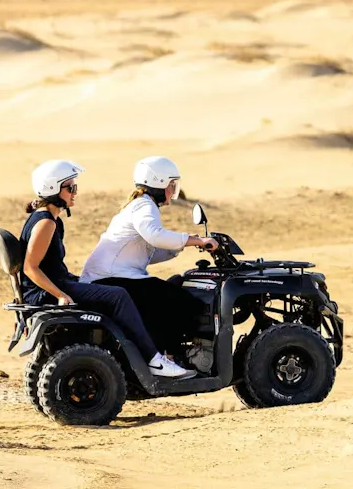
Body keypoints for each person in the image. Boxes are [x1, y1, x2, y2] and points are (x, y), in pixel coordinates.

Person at [19, 158, 196, 380]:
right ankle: (154, 360)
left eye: (75, 187)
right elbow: (29, 268)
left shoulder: (53, 221)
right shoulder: (46, 223)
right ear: (53, 189)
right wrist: (61, 295)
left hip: (57, 283)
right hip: (45, 291)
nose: (75, 192)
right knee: (119, 295)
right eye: (70, 187)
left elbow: (48, 267)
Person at [79, 155, 218, 361]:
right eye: (171, 185)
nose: (173, 191)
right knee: (187, 303)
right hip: (110, 280)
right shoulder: (144, 206)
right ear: (158, 183)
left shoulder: (139, 204)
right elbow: (155, 235)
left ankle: (166, 354)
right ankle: (170, 358)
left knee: (174, 287)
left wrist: (185, 245)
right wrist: (194, 240)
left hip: (111, 277)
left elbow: (147, 251)